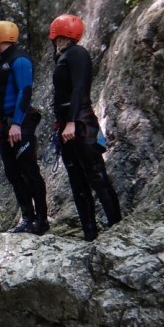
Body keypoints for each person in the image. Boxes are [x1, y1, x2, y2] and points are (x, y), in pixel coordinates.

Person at [49, 14, 122, 241]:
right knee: (77, 179)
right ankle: (90, 233)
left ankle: (117, 226)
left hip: (79, 123)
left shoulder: (77, 54)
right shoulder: (63, 56)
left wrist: (71, 121)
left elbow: (79, 88)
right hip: (68, 124)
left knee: (96, 175)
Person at [0, 20, 49, 235]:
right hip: (6, 124)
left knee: (29, 171)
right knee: (13, 173)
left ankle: (41, 220)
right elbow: (1, 96)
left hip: (21, 122)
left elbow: (25, 91)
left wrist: (17, 123)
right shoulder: (2, 61)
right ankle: (27, 218)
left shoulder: (19, 58)